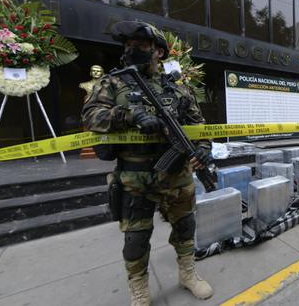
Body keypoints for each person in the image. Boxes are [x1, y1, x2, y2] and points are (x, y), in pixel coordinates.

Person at [81, 21, 213, 306]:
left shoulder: (179, 91)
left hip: (177, 176)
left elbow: (199, 126)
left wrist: (203, 149)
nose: (131, 51)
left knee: (186, 228)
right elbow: (91, 116)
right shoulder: (113, 83)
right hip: (135, 177)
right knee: (136, 240)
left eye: (140, 46)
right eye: (127, 46)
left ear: (159, 52)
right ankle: (139, 287)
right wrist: (129, 116)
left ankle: (188, 274)